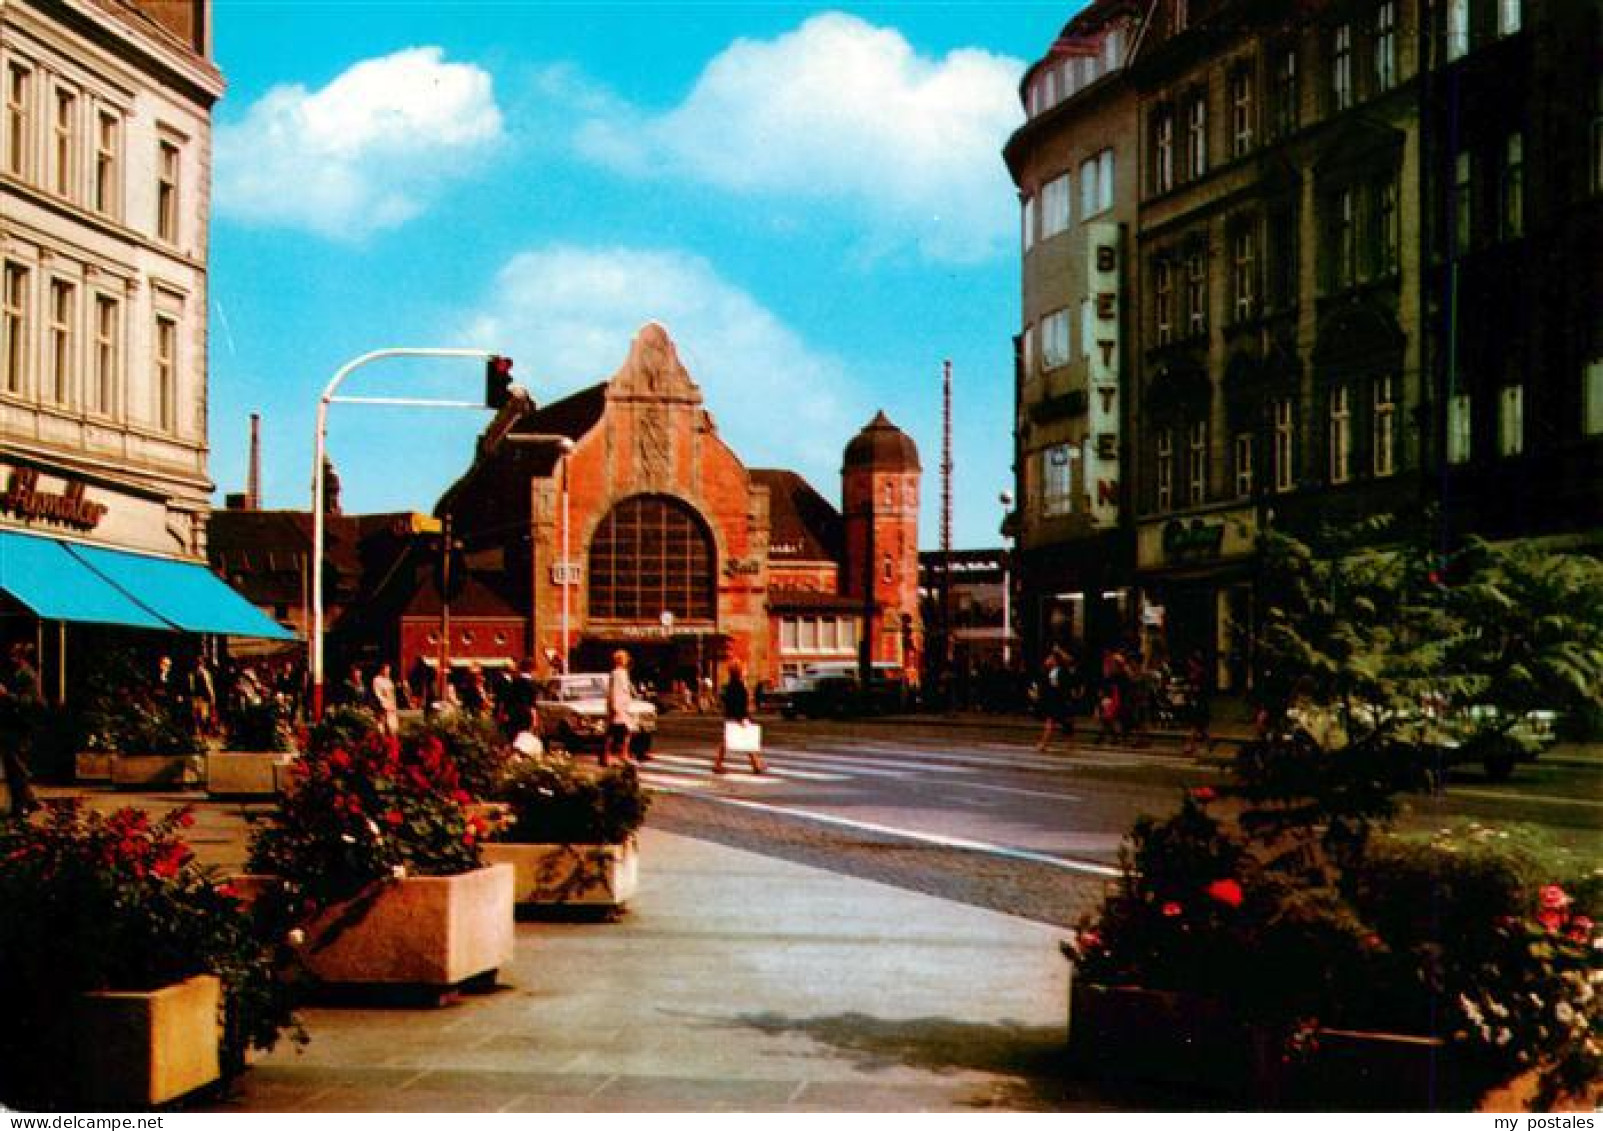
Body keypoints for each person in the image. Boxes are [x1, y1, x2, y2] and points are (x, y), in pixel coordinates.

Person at [0, 643, 42, 817]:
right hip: (10, 725)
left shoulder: (28, 676)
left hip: (21, 726)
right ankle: (28, 801)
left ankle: (22, 805)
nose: (12, 659)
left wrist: (6, 695)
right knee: (13, 765)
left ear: (22, 657)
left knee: (16, 765)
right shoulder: (14, 674)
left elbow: (31, 701)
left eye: (15, 655)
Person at [713, 659, 765, 775]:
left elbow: (727, 701)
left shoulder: (731, 685)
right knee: (747, 740)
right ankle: (756, 765)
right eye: (744, 669)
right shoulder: (739, 686)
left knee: (728, 741)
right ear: (739, 672)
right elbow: (738, 703)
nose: (746, 671)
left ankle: (718, 764)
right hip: (739, 716)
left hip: (732, 716)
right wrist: (741, 718)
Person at [602, 649, 636, 767]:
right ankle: (612, 756)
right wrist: (615, 707)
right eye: (625, 658)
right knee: (618, 732)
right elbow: (615, 691)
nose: (627, 660)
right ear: (620, 660)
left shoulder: (623, 672)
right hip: (618, 708)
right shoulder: (616, 673)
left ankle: (618, 755)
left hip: (623, 707)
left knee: (621, 732)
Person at [371, 662, 399, 736]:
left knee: (392, 728)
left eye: (389, 670)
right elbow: (378, 694)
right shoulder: (377, 680)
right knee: (381, 727)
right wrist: (384, 705)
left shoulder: (389, 681)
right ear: (381, 670)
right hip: (382, 707)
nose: (388, 671)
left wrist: (393, 705)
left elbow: (392, 695)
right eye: (386, 670)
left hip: (391, 707)